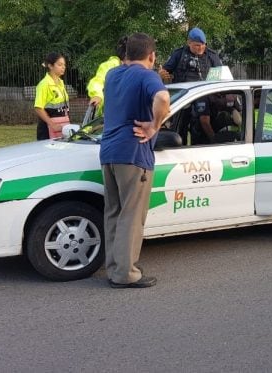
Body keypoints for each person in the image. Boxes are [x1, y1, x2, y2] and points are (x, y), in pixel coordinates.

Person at [100, 33, 170, 288]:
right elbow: (162, 99)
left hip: (108, 152)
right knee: (131, 215)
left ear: (126, 54)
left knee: (114, 213)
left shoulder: (112, 75)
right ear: (151, 55)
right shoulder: (148, 75)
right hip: (133, 154)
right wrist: (154, 126)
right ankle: (126, 274)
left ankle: (115, 268)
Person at [33, 52, 70, 140]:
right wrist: (52, 125)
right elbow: (38, 108)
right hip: (48, 129)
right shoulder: (44, 84)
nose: (63, 67)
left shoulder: (61, 83)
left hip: (62, 127)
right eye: (60, 64)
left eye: (64, 65)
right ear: (50, 66)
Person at [86, 37, 126, 116]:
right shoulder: (111, 65)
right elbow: (97, 81)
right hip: (108, 116)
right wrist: (97, 95)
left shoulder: (132, 67)